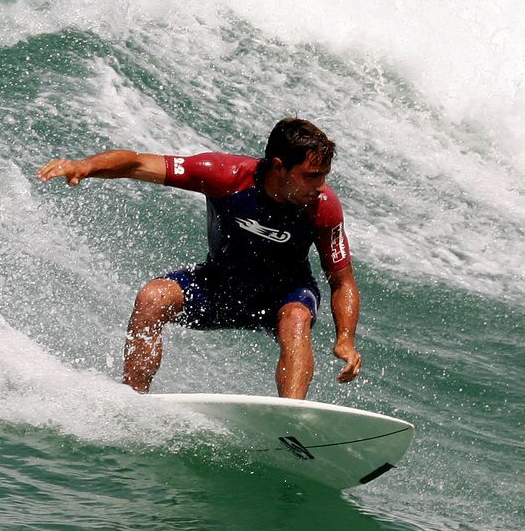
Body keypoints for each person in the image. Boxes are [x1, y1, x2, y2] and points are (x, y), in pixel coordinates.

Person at [37, 117, 362, 399]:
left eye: (324, 175)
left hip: (285, 296)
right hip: (220, 286)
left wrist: (345, 339)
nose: (321, 186)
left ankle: (291, 421)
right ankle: (131, 401)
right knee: (153, 297)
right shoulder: (224, 176)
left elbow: (341, 281)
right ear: (280, 167)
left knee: (296, 318)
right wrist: (85, 166)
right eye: (312, 175)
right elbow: (137, 163)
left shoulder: (323, 207)